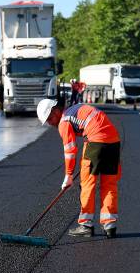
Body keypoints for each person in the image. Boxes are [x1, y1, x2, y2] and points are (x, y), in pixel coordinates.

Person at [36, 99, 121, 238]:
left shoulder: (64, 121)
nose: (50, 123)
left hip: (96, 140)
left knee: (88, 184)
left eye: (50, 118)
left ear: (56, 110)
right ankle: (110, 225)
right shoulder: (74, 109)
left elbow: (70, 150)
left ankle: (86, 225)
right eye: (47, 121)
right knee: (109, 184)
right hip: (113, 142)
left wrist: (68, 175)